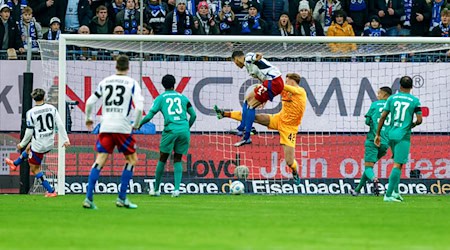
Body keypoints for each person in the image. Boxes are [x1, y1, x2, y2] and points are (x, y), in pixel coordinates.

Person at [214, 73, 306, 184]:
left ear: (292, 81)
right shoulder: (284, 90)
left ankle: (295, 172)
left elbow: (279, 86)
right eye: (285, 81)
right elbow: (273, 90)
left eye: (287, 81)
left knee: (289, 162)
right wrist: (263, 96)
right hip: (279, 119)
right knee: (252, 116)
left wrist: (268, 81)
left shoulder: (300, 91)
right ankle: (224, 114)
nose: (285, 82)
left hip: (290, 129)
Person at [83, 55, 144, 209]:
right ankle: (122, 198)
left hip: (106, 126)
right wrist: (136, 124)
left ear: (115, 66)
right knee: (131, 160)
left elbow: (90, 101)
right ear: (128, 67)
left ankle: (89, 199)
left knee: (100, 159)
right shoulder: (132, 83)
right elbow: (139, 107)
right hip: (122, 127)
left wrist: (89, 118)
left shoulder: (105, 81)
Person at [4, 88, 70, 197]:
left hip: (39, 145)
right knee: (30, 146)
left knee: (34, 168)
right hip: (49, 143)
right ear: (44, 97)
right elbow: (60, 125)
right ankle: (15, 164)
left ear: (33, 99)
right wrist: (66, 139)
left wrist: (21, 144)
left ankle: (51, 190)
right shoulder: (52, 108)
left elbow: (29, 131)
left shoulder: (30, 112)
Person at [138, 74, 197, 197]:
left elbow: (149, 116)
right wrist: (187, 127)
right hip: (184, 130)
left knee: (163, 158)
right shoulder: (183, 98)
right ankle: (176, 190)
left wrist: (139, 124)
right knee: (178, 159)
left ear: (163, 85)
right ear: (174, 84)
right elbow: (194, 116)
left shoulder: (160, 98)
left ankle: (156, 189)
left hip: (170, 130)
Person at [375, 76, 422, 202]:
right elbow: (419, 120)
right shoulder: (415, 101)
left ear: (400, 86)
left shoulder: (392, 98)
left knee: (398, 163)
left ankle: (395, 192)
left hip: (391, 134)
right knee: (398, 164)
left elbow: (383, 117)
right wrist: (412, 125)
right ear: (411, 87)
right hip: (403, 136)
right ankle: (388, 195)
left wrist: (377, 134)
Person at [230, 50, 284, 147]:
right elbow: (261, 76)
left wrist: (257, 56)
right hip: (270, 83)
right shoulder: (248, 67)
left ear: (237, 59)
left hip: (274, 81)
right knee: (247, 100)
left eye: (235, 62)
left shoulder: (247, 58)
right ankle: (243, 128)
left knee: (251, 105)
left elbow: (254, 57)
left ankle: (246, 136)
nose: (236, 65)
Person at [350, 86, 392, 196]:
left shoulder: (374, 105)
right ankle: (357, 190)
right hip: (385, 143)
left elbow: (368, 121)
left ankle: (374, 179)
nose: (377, 95)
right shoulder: (392, 107)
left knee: (368, 168)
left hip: (373, 140)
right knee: (370, 167)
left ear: (384, 95)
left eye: (379, 93)